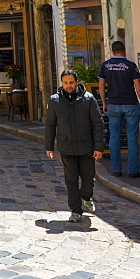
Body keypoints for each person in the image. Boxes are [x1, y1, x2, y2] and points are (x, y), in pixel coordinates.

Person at [45, 69, 104, 223]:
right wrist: (49, 146)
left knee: (88, 179)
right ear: (62, 83)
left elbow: (98, 124)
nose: (69, 86)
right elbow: (50, 124)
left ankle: (86, 197)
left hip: (86, 146)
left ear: (76, 82)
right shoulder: (55, 100)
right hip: (66, 146)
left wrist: (99, 147)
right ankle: (75, 210)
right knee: (71, 180)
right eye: (65, 83)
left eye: (71, 82)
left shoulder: (88, 99)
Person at [98, 41, 140, 178]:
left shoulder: (105, 66)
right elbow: (138, 87)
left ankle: (116, 169)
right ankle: (133, 170)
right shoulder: (131, 66)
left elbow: (101, 86)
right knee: (132, 137)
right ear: (124, 50)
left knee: (114, 137)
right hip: (130, 103)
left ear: (112, 51)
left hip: (113, 103)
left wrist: (104, 102)